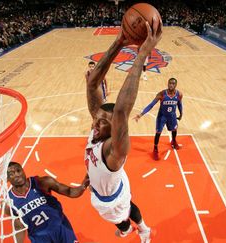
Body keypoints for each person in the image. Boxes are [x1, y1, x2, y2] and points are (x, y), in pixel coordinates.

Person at [84, 18, 161, 242]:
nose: (95, 124)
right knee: (126, 208)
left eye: (102, 123)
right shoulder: (99, 130)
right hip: (107, 185)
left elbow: (120, 113)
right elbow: (92, 84)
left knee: (122, 217)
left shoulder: (115, 150)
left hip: (110, 199)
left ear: (115, 129)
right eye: (96, 120)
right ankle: (138, 227)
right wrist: (119, 41)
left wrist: (142, 54)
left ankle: (137, 230)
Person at [5, 161, 89, 243]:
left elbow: (70, 192)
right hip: (39, 238)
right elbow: (19, 226)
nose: (17, 175)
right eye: (12, 174)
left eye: (18, 171)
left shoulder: (41, 182)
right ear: (7, 178)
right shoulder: (9, 202)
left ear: (23, 170)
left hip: (61, 229)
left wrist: (83, 186)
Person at [133, 78, 183, 161]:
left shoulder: (179, 94)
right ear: (167, 84)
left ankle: (173, 141)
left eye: (173, 83)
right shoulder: (162, 94)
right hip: (162, 116)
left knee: (174, 129)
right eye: (169, 83)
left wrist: (181, 113)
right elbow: (151, 105)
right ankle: (155, 148)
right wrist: (141, 114)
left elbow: (180, 105)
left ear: (176, 85)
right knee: (158, 133)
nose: (171, 85)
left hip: (172, 116)